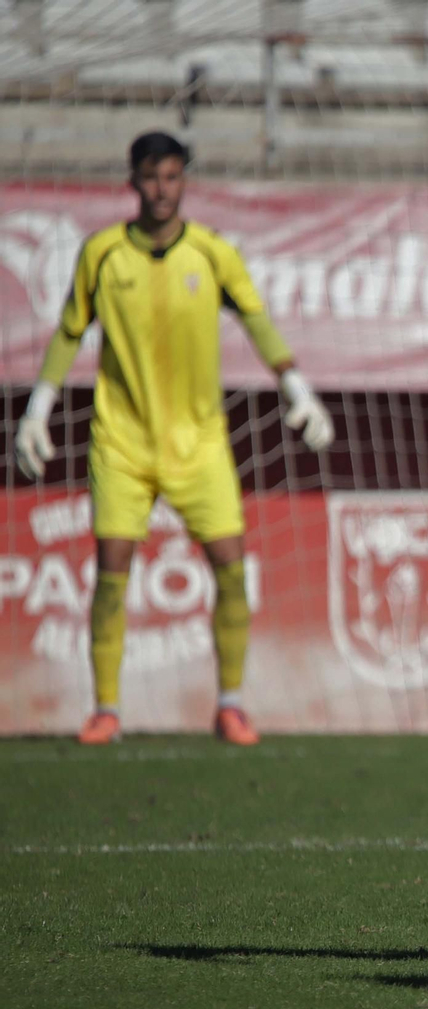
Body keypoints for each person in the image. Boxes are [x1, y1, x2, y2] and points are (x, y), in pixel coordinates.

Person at [10, 131, 335, 747]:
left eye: (171, 176)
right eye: (151, 177)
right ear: (133, 181)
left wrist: (297, 387)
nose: (162, 189)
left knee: (232, 570)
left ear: (183, 181)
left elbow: (257, 320)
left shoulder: (212, 253)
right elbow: (69, 332)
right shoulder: (103, 253)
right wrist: (37, 410)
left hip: (199, 445)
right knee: (111, 573)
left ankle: (231, 705)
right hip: (122, 444)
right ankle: (106, 709)